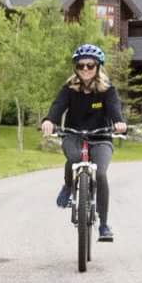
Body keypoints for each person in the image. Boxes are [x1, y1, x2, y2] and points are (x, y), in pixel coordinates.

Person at [40, 43, 124, 242]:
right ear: (75, 68)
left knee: (101, 174)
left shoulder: (107, 91)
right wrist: (49, 120)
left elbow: (114, 109)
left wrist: (119, 122)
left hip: (101, 137)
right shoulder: (69, 89)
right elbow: (58, 106)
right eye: (81, 65)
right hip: (73, 134)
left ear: (98, 67)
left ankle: (103, 224)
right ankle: (69, 185)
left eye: (90, 65)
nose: (85, 69)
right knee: (75, 157)